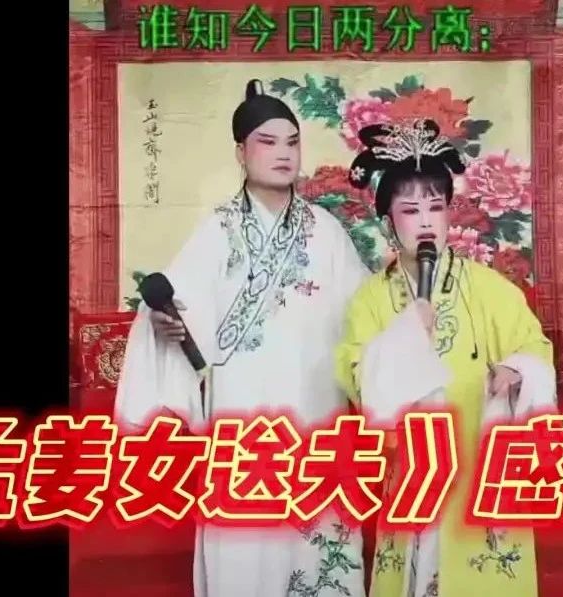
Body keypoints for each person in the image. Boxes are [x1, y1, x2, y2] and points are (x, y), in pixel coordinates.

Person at [115, 79, 371, 597]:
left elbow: (366, 315)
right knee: (246, 541)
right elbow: (176, 309)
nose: (283, 153)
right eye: (267, 141)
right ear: (240, 152)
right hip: (244, 417)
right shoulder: (217, 231)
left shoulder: (326, 231)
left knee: (320, 541)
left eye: (292, 142)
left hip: (316, 411)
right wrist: (168, 326)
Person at [334, 119, 558, 597]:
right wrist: (404, 336)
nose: (425, 222)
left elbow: (535, 347)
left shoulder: (488, 288)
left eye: (436, 207)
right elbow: (357, 378)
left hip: (476, 462)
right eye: (410, 210)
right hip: (414, 467)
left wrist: (516, 371)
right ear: (388, 221)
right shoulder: (370, 300)